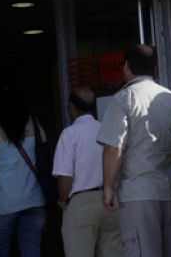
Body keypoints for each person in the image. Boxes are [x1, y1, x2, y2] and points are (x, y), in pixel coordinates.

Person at [96, 45, 171, 257]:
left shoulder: (124, 98)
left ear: (127, 67)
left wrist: (108, 187)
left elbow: (114, 148)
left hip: (138, 192)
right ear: (155, 69)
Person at [52, 87, 122, 257]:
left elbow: (65, 177)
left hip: (81, 203)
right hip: (110, 201)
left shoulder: (69, 134)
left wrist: (63, 201)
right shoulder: (105, 129)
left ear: (71, 107)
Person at [0, 89, 46, 257]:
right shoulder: (33, 122)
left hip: (2, 203)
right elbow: (45, 145)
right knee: (32, 250)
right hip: (33, 199)